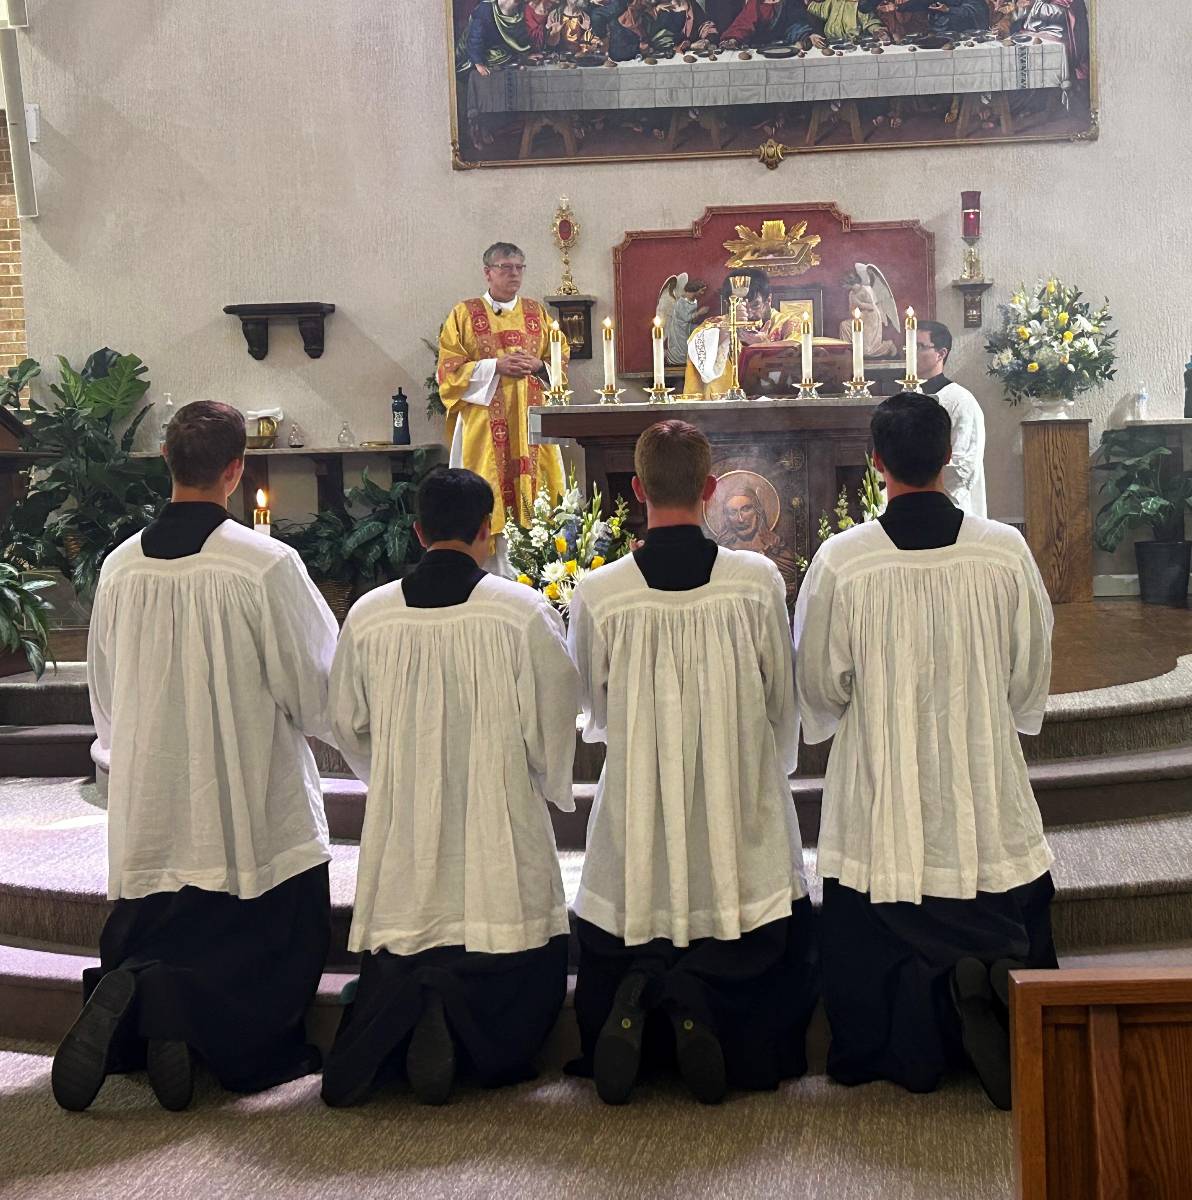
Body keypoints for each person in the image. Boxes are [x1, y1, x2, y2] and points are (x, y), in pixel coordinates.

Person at [53, 401, 338, 1113]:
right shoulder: (264, 564)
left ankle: (139, 991)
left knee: (161, 918)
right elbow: (317, 687)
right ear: (236, 471)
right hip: (244, 805)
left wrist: (133, 758)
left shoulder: (120, 567)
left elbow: (104, 691)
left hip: (152, 805)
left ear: (165, 462)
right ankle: (180, 1012)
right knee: (276, 924)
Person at [793, 391, 1056, 1111]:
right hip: (979, 772)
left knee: (879, 886)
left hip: (883, 788)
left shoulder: (844, 561)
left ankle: (906, 1038)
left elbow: (820, 682)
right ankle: (988, 980)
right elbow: (1029, 670)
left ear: (876, 463)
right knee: (993, 863)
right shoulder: (1003, 551)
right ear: (948, 457)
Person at [566, 420, 816, 1106]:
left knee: (636, 893)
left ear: (636, 489)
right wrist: (769, 768)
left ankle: (640, 998)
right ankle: (709, 1009)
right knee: (747, 897)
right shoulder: (755, 581)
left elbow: (590, 703)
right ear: (710, 489)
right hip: (737, 786)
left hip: (640, 787)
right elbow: (780, 694)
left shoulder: (601, 591)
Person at [321, 468, 579, 1107]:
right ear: (487, 531)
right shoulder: (521, 613)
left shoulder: (370, 615)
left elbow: (346, 722)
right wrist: (542, 778)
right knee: (513, 936)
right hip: (499, 814)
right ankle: (473, 1029)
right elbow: (553, 719)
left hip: (406, 823)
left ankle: (418, 1010)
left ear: (417, 532)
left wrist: (393, 773)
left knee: (405, 938)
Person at [437, 242, 566, 575]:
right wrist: (495, 366)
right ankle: (487, 575)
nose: (514, 274)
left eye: (519, 267)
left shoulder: (537, 314)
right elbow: (448, 372)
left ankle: (539, 575)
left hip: (531, 424)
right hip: (483, 429)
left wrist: (539, 365)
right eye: (506, 268)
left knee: (538, 500)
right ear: (488, 272)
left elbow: (559, 359)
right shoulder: (464, 314)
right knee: (485, 497)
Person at [683, 268, 802, 398]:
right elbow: (697, 346)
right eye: (739, 306)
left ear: (768, 300)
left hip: (775, 405)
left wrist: (765, 346)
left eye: (755, 305)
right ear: (728, 304)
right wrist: (725, 330)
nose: (748, 314)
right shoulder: (713, 325)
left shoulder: (787, 324)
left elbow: (800, 355)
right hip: (723, 407)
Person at [916, 319, 987, 517]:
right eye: (908, 347)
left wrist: (918, 485)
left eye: (920, 346)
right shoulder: (906, 396)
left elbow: (963, 464)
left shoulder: (960, 400)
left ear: (941, 353)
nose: (910, 353)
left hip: (948, 506)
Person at [721, 0, 825, 48]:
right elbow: (743, 25)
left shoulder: (790, 2)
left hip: (787, 48)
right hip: (758, 49)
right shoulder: (755, 3)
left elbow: (796, 24)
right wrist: (734, 39)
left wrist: (808, 35)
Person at [806, 0, 888, 40]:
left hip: (855, 44)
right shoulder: (834, 2)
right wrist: (808, 3)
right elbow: (817, 8)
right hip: (831, 42)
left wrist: (879, 31)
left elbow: (871, 22)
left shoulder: (861, 5)